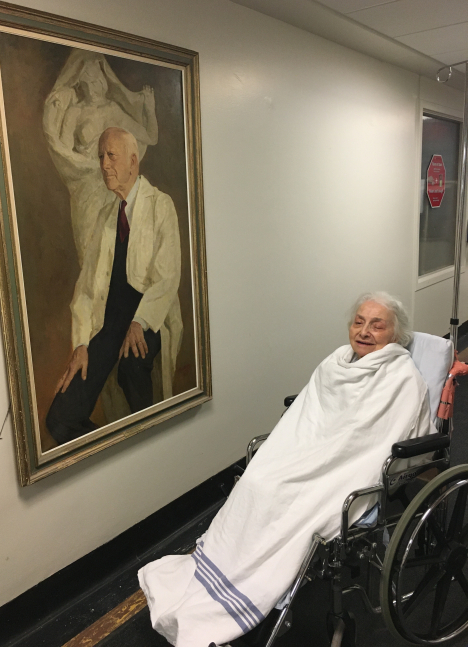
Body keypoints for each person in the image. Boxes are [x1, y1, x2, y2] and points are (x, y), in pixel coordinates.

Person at [138, 292, 434, 647]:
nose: (365, 331)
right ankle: (223, 579)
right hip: (306, 453)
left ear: (395, 335)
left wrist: (327, 458)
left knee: (286, 499)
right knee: (257, 480)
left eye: (377, 324)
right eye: (359, 321)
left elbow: (375, 436)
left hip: (344, 466)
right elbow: (309, 416)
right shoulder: (335, 363)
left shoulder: (401, 377)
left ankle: (254, 589)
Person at [46, 127, 183, 445]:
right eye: (100, 157)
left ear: (133, 162)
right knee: (59, 419)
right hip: (108, 327)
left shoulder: (160, 206)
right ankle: (125, 446)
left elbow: (167, 276)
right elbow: (86, 288)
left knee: (132, 369)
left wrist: (140, 321)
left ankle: (152, 446)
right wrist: (80, 344)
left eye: (111, 156)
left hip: (149, 317)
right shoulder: (107, 217)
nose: (104, 164)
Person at [43, 50, 158, 265]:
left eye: (96, 78)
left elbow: (151, 137)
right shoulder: (74, 113)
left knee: (116, 250)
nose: (92, 84)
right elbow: (66, 153)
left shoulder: (112, 109)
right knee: (88, 252)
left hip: (111, 188)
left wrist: (149, 110)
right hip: (86, 188)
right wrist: (85, 165)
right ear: (79, 81)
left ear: (103, 79)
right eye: (87, 79)